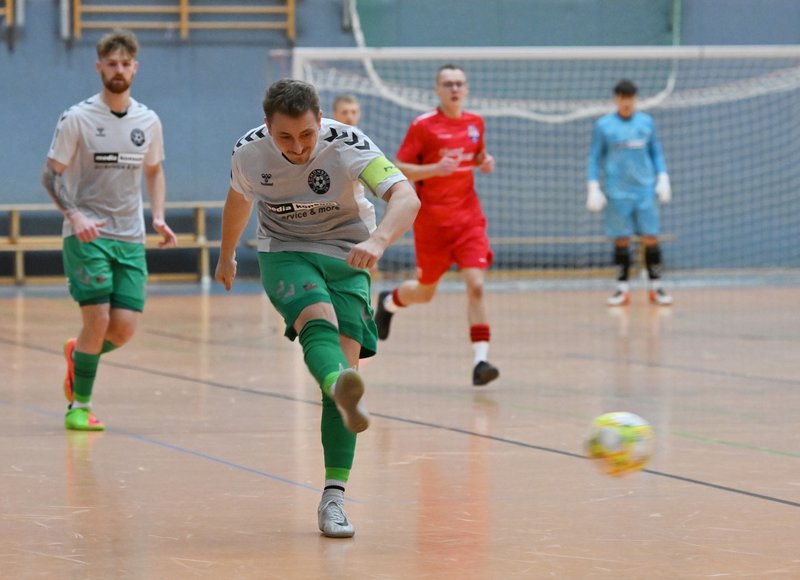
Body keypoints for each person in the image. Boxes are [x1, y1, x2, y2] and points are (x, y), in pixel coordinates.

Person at [214, 79, 419, 538]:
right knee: (315, 319)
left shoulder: (348, 143)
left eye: (306, 134)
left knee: (344, 367)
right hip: (284, 250)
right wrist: (227, 254)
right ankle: (337, 383)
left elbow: (407, 197)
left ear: (320, 120)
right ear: (267, 126)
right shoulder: (248, 152)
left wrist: (379, 240)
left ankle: (333, 499)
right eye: (285, 137)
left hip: (349, 253)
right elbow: (238, 200)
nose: (298, 147)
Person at [41, 28, 177, 432]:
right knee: (97, 319)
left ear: (135, 68)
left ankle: (78, 354)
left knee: (123, 329)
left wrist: (158, 216)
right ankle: (79, 406)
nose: (119, 70)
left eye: (125, 63)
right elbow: (51, 175)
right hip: (88, 235)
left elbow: (154, 170)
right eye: (111, 63)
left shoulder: (148, 120)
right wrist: (75, 216)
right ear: (98, 67)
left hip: (130, 236)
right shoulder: (77, 117)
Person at [374, 64, 499, 387]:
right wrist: (434, 169)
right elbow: (398, 168)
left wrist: (484, 161)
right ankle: (388, 302)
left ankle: (481, 361)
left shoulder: (475, 123)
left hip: (468, 221)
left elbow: (477, 155)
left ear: (466, 88)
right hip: (432, 225)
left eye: (459, 83)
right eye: (448, 84)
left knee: (476, 285)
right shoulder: (423, 126)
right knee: (425, 293)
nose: (454, 89)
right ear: (437, 89)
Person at [586, 79, 673, 307]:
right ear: (616, 99)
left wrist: (663, 177)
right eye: (622, 98)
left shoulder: (646, 122)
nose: (626, 103)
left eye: (630, 98)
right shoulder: (604, 126)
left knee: (650, 237)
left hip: (644, 190)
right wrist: (593, 186)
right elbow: (595, 157)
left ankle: (656, 287)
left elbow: (656, 152)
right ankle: (622, 289)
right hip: (618, 191)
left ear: (635, 99)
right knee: (621, 240)